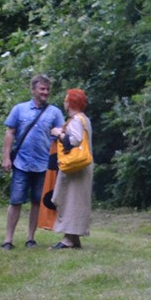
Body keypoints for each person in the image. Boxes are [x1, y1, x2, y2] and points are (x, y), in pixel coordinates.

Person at [0, 74, 63, 249]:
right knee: (15, 201)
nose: (45, 92)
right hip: (21, 163)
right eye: (42, 89)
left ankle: (30, 238)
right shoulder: (19, 109)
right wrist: (6, 157)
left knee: (37, 202)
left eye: (47, 89)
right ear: (33, 90)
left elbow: (61, 135)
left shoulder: (55, 112)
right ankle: (8, 240)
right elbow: (10, 133)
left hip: (43, 165)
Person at [50, 89, 93, 250]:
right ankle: (74, 238)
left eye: (66, 100)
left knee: (70, 200)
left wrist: (58, 133)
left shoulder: (75, 120)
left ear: (70, 103)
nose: (64, 102)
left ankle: (68, 239)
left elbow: (74, 140)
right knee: (76, 201)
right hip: (82, 166)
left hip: (75, 166)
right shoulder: (84, 119)